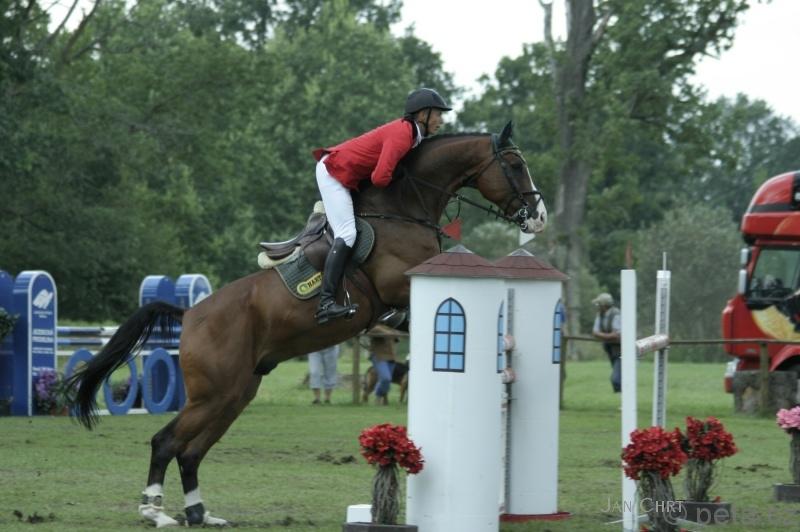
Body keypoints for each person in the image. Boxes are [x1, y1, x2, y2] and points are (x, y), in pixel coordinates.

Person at [311, 88, 452, 324]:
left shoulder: (413, 135)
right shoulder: (403, 134)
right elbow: (380, 178)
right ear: (422, 115)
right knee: (347, 234)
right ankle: (325, 302)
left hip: (349, 174)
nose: (441, 120)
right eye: (437, 114)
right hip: (334, 172)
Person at [592, 292, 621, 393]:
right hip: (610, 350)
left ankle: (624, 398)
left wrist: (602, 336)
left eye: (598, 304)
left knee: (616, 379)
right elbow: (594, 332)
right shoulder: (600, 315)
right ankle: (622, 399)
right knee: (619, 378)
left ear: (604, 305)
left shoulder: (616, 314)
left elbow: (616, 335)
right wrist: (608, 337)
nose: (597, 306)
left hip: (622, 350)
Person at [369, 333, 398, 406]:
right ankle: (378, 395)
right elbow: (374, 331)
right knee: (386, 378)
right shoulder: (376, 326)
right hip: (379, 356)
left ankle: (381, 398)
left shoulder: (393, 328)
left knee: (387, 380)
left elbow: (396, 339)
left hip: (391, 357)